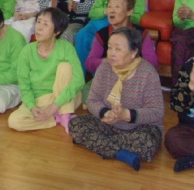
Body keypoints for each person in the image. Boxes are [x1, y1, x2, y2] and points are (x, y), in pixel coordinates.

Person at [69, 27, 164, 171]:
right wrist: (105, 113)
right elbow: (92, 100)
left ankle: (102, 145)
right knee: (75, 124)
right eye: (109, 48)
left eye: (118, 49)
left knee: (146, 142)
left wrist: (126, 114)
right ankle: (121, 154)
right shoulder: (104, 67)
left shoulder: (147, 73)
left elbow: (156, 112)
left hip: (139, 128)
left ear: (134, 52)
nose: (111, 53)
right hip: (109, 124)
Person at [8, 7, 84, 134]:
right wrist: (32, 107)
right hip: (39, 99)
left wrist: (55, 105)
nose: (39, 27)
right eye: (38, 22)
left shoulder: (66, 48)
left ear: (57, 31)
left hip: (63, 97)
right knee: (14, 122)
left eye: (45, 24)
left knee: (65, 67)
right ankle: (56, 118)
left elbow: (79, 79)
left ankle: (63, 114)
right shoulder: (27, 51)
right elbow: (24, 84)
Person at [76, 0, 146, 67]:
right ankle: (81, 73)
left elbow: (137, 16)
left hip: (122, 22)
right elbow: (92, 13)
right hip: (100, 21)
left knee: (102, 39)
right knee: (81, 35)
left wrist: (121, 15)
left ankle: (101, 73)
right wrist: (105, 11)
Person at [85, 0, 157, 74]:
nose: (111, 10)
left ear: (129, 11)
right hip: (109, 79)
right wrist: (108, 62)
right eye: (109, 6)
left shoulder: (141, 33)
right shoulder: (102, 34)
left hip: (136, 80)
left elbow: (153, 63)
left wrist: (128, 62)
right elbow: (89, 64)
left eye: (117, 7)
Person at [165, 54, 194, 172]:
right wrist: (191, 87)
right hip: (193, 130)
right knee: (173, 139)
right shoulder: (190, 65)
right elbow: (175, 105)